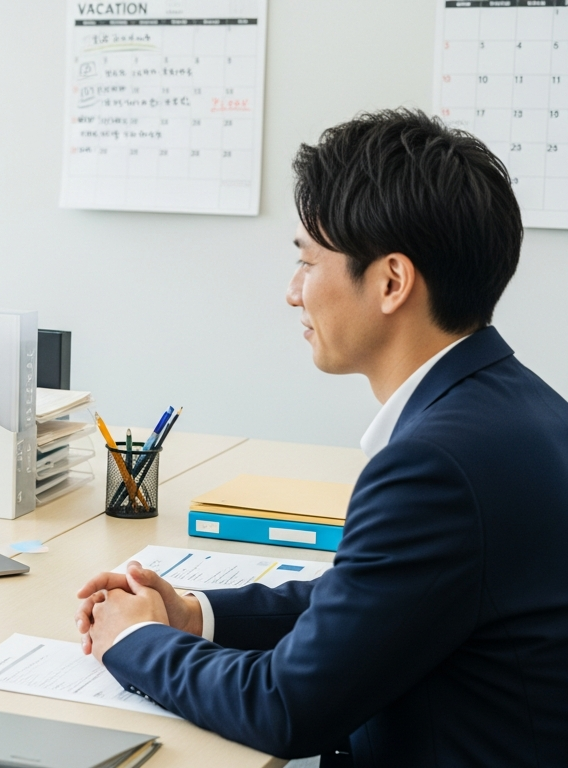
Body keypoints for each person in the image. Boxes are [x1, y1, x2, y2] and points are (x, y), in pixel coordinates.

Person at [75, 109, 568, 767]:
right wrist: (196, 616)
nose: (292, 292)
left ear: (391, 281)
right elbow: (376, 602)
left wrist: (132, 642)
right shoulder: (522, 408)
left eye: (308, 261)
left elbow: (286, 708)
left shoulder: (434, 466)